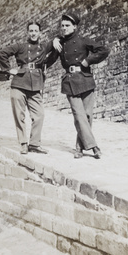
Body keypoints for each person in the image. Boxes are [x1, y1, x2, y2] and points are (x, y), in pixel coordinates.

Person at [52, 13, 109, 159]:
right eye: (62, 26)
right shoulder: (59, 43)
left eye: (67, 26)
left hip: (85, 80)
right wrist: (53, 41)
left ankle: (79, 148)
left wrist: (88, 60)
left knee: (87, 115)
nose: (64, 28)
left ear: (74, 27)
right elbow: (48, 57)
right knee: (79, 115)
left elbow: (104, 50)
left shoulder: (83, 41)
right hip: (70, 82)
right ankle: (94, 146)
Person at [0, 21, 58, 154]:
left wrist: (55, 41)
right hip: (19, 83)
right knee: (19, 115)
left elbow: (55, 47)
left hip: (35, 85)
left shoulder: (43, 47)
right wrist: (9, 70)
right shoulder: (20, 46)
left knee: (39, 115)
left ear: (40, 33)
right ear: (27, 32)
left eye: (36, 31)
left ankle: (34, 144)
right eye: (31, 31)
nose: (33, 33)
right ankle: (23, 143)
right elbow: (2, 53)